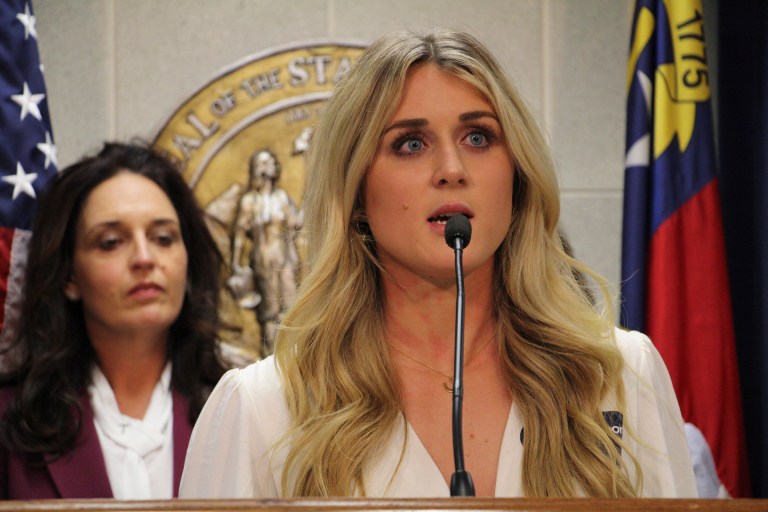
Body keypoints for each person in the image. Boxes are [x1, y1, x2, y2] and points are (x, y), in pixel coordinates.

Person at [180, 28, 697, 498]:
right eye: (410, 143)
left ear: (517, 177)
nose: (452, 169)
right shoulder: (263, 408)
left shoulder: (620, 376)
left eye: (478, 138)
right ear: (356, 192)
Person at [0, 142, 228, 499]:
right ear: (69, 276)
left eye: (163, 238)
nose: (144, 258)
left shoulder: (235, 409)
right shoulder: (9, 423)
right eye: (110, 242)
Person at [230, 149, 303, 353]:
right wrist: (235, 263)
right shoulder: (250, 201)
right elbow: (239, 234)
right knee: (271, 314)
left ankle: (295, 357)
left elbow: (295, 223)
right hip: (264, 260)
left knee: (292, 309)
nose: (273, 164)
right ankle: (270, 356)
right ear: (259, 168)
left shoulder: (281, 197)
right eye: (267, 162)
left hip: (287, 259)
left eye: (272, 161)